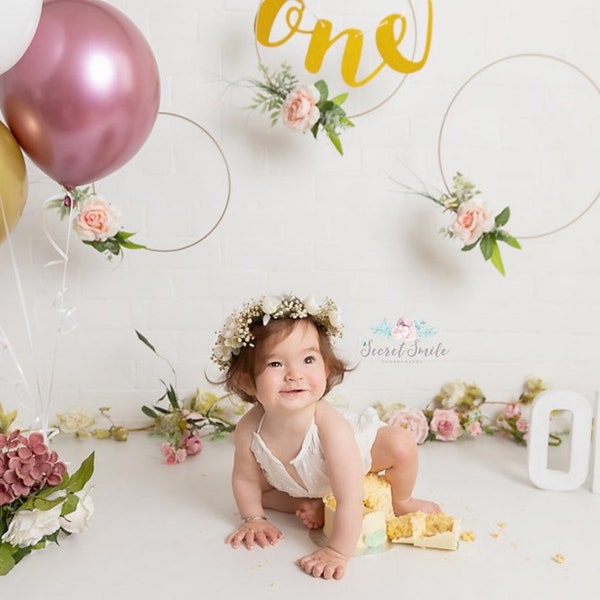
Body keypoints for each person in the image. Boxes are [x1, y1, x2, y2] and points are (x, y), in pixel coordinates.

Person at [211, 293, 441, 580]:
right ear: (248, 381)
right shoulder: (249, 428)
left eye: (308, 359)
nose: (294, 374)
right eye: (275, 364)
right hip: (301, 481)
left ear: (326, 368)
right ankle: (314, 504)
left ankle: (403, 499)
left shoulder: (332, 428)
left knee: (401, 444)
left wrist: (337, 551)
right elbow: (244, 479)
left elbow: (350, 497)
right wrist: (253, 518)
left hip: (352, 467)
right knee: (258, 488)